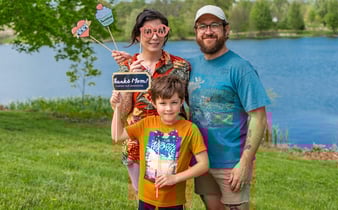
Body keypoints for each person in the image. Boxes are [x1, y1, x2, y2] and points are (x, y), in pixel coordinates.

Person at [188, 5, 271, 210]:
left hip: (231, 164)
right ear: (196, 32)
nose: (208, 31)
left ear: (226, 30)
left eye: (214, 25)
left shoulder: (240, 68)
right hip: (202, 160)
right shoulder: (189, 66)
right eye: (202, 26)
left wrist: (245, 163)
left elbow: (258, 117)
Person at [110, 9, 191, 194]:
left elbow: (186, 106)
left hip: (171, 142)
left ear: (166, 33)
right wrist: (130, 78)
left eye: (160, 30)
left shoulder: (181, 67)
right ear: (138, 35)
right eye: (148, 31)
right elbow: (122, 112)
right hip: (136, 144)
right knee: (143, 198)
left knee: (170, 198)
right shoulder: (128, 67)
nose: (154, 36)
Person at [111, 75, 208, 209]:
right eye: (163, 103)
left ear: (181, 102)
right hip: (146, 198)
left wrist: (175, 178)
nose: (168, 108)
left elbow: (204, 165)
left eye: (174, 102)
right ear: (153, 102)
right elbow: (118, 135)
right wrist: (117, 108)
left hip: (173, 202)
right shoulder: (146, 123)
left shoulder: (190, 130)